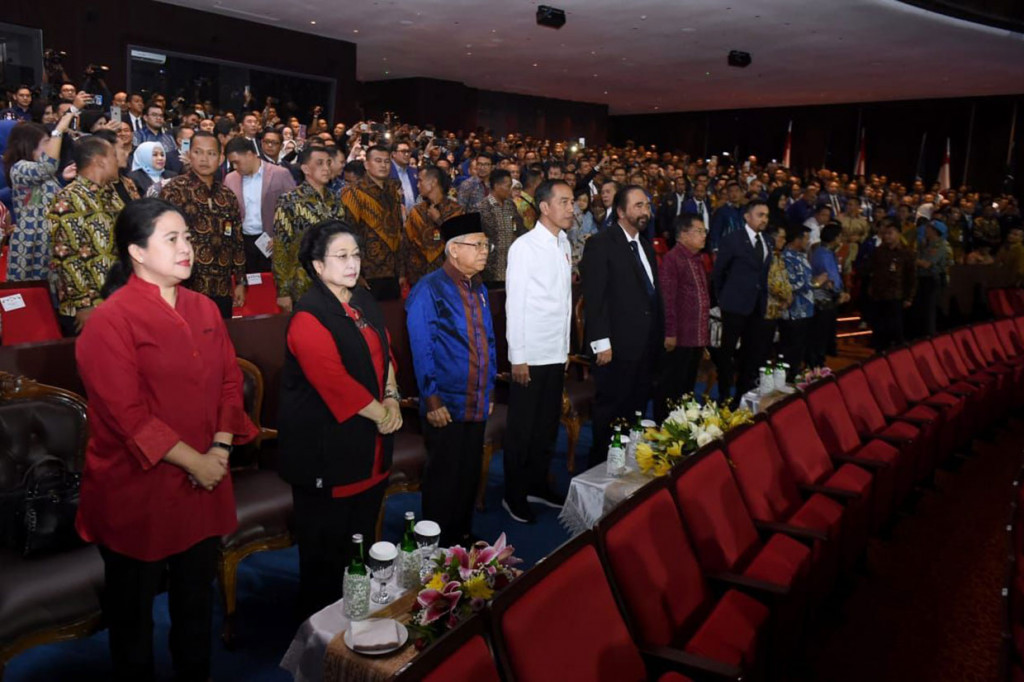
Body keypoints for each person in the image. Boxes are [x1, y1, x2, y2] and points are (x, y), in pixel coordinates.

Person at [75, 198, 257, 682]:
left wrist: (218, 450)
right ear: (137, 251)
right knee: (133, 620)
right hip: (138, 489)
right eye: (172, 239)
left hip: (203, 480)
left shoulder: (203, 308)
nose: (186, 249)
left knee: (195, 607)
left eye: (188, 238)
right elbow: (127, 416)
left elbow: (228, 383)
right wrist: (195, 463)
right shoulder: (110, 321)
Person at [278, 219, 401, 618]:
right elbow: (335, 383)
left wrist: (393, 397)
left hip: (370, 445)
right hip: (327, 452)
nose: (352, 264)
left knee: (360, 542)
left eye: (356, 255)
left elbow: (386, 352)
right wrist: (383, 413)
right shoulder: (308, 317)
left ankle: (358, 614)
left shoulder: (362, 300)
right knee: (326, 557)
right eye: (342, 257)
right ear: (317, 265)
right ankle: (320, 635)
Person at [406, 212, 497, 546]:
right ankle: (435, 545)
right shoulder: (429, 289)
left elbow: (488, 340)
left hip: (476, 397)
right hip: (445, 401)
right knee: (443, 476)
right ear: (454, 250)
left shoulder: (479, 287)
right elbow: (422, 347)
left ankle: (461, 534)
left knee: (468, 472)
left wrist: (489, 390)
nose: (485, 250)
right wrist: (431, 398)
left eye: (486, 244)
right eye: (478, 245)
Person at [503, 180, 573, 524]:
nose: (571, 208)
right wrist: (518, 355)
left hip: (555, 351)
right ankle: (513, 494)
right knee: (523, 428)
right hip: (530, 354)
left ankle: (537, 483)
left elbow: (564, 302)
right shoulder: (525, 247)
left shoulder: (564, 242)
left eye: (572, 201)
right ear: (544, 207)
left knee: (547, 426)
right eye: (564, 202)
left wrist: (566, 350)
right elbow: (514, 303)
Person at [580, 185, 662, 462]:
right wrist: (602, 342)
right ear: (620, 211)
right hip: (614, 345)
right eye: (638, 206)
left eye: (647, 206)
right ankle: (601, 463)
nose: (645, 212)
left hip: (645, 343)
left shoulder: (646, 247)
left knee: (636, 405)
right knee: (611, 407)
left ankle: (628, 458)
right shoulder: (601, 243)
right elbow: (595, 298)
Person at [160, 131, 246, 318]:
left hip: (221, 288)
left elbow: (236, 241)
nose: (204, 159)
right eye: (198, 152)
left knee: (218, 340)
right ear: (189, 154)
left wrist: (240, 281)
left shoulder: (227, 196)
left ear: (221, 158)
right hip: (184, 287)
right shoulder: (173, 190)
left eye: (211, 153)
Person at [49, 136, 125, 335]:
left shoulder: (112, 196)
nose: (118, 162)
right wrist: (84, 306)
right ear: (99, 161)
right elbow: (65, 257)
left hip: (116, 300)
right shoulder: (68, 198)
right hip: (86, 308)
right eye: (114, 157)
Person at [3, 106, 79, 280]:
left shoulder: (44, 173)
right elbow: (46, 167)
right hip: (32, 242)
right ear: (29, 145)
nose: (52, 147)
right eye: (47, 142)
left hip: (46, 241)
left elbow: (45, 196)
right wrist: (59, 129)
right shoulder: (19, 167)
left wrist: (62, 180)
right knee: (29, 295)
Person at [711, 199, 772, 406]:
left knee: (751, 353)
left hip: (756, 307)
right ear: (747, 216)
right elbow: (718, 273)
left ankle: (742, 396)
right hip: (734, 306)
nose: (764, 219)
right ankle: (724, 394)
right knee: (727, 353)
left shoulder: (767, 241)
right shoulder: (733, 239)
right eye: (760, 215)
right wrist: (724, 298)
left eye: (766, 215)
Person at [274, 145, 347, 307]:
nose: (326, 168)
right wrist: (283, 291)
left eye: (329, 163)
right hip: (303, 284)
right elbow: (281, 247)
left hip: (335, 283)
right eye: (320, 163)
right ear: (306, 168)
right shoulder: (289, 200)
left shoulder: (336, 200)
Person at [655, 213, 710, 419]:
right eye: (699, 231)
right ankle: (665, 424)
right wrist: (670, 333)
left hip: (696, 336)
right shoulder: (673, 259)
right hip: (679, 337)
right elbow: (667, 300)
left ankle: (683, 425)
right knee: (671, 386)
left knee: (687, 386)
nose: (704, 235)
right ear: (683, 234)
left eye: (704, 231)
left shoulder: (697, 259)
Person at [340, 145, 406, 300]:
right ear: (367, 164)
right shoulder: (353, 192)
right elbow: (348, 233)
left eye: (386, 161)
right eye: (378, 161)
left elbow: (398, 230)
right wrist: (355, 271)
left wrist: (401, 270)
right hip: (366, 272)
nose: (383, 165)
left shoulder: (393, 189)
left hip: (393, 270)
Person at [223, 136, 296, 273]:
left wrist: (282, 236)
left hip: (270, 241)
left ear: (250, 154)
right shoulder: (230, 179)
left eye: (237, 162)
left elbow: (294, 209)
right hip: (242, 243)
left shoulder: (280, 174)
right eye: (232, 163)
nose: (234, 167)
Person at [400, 164, 462, 285]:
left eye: (420, 181)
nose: (417, 185)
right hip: (419, 277)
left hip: (448, 277)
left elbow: (460, 242)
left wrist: (439, 220)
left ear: (433, 182)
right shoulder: (416, 211)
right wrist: (402, 274)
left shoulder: (457, 210)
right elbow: (405, 243)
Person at [779, 224, 822, 380]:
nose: (808, 242)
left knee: (801, 349)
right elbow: (791, 285)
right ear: (797, 240)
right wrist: (815, 282)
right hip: (793, 312)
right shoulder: (786, 258)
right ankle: (787, 380)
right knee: (791, 350)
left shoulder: (801, 256)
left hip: (806, 310)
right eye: (806, 238)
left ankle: (796, 376)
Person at [868, 220, 917, 350]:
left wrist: (909, 297)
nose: (887, 236)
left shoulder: (906, 253)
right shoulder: (879, 251)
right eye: (885, 233)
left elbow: (911, 276)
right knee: (879, 328)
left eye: (890, 233)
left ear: (899, 234)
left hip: (896, 295)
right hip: (879, 295)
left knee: (896, 328)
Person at [808, 223, 849, 367]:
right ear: (835, 237)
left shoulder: (826, 252)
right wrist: (840, 292)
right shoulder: (823, 254)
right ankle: (816, 366)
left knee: (824, 335)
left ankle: (819, 362)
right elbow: (830, 277)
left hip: (827, 299)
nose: (841, 239)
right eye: (840, 236)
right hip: (822, 300)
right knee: (819, 336)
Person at [475, 168, 524, 284]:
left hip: (510, 266)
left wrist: (515, 232)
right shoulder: (481, 207)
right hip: (489, 269)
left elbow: (516, 226)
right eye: (508, 186)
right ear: (496, 186)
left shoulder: (510, 205)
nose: (510, 189)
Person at [911, 221, 948, 338]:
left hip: (933, 279)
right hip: (922, 278)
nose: (926, 230)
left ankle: (930, 334)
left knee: (930, 308)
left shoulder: (940, 245)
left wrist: (912, 259)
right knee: (921, 307)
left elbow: (927, 264)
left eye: (929, 228)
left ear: (935, 231)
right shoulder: (925, 244)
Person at [389, 138, 419, 212]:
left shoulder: (414, 171)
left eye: (408, 151)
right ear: (394, 154)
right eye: (403, 151)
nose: (407, 154)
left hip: (413, 216)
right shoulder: (386, 171)